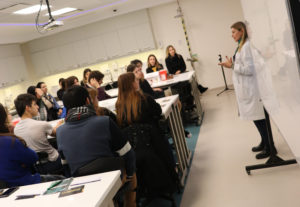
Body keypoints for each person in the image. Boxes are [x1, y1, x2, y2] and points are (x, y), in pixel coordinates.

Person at [56, 85, 136, 206]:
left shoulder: (60, 132)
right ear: (88, 101)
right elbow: (127, 153)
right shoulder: (104, 121)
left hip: (84, 185)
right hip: (113, 177)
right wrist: (130, 174)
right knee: (133, 176)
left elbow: (65, 165)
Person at [218, 21, 277, 159]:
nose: (231, 35)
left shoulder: (246, 47)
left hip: (252, 90)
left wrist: (232, 66)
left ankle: (270, 147)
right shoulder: (241, 46)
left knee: (259, 118)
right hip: (247, 89)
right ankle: (264, 142)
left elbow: (250, 69)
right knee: (255, 118)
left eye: (233, 32)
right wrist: (232, 64)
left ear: (241, 31)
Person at [116, 72, 178, 196]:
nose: (138, 82)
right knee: (165, 146)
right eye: (136, 80)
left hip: (133, 146)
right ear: (132, 84)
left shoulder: (119, 105)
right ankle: (173, 180)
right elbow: (158, 112)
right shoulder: (144, 98)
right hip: (153, 141)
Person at [0, 103, 63, 187]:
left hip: (7, 188)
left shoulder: (14, 133)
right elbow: (33, 158)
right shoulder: (10, 141)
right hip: (24, 182)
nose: (37, 106)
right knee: (63, 180)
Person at [14, 94, 64, 173]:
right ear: (27, 108)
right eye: (34, 104)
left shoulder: (15, 129)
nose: (37, 107)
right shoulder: (41, 124)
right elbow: (56, 133)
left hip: (35, 167)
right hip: (53, 162)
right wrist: (59, 125)